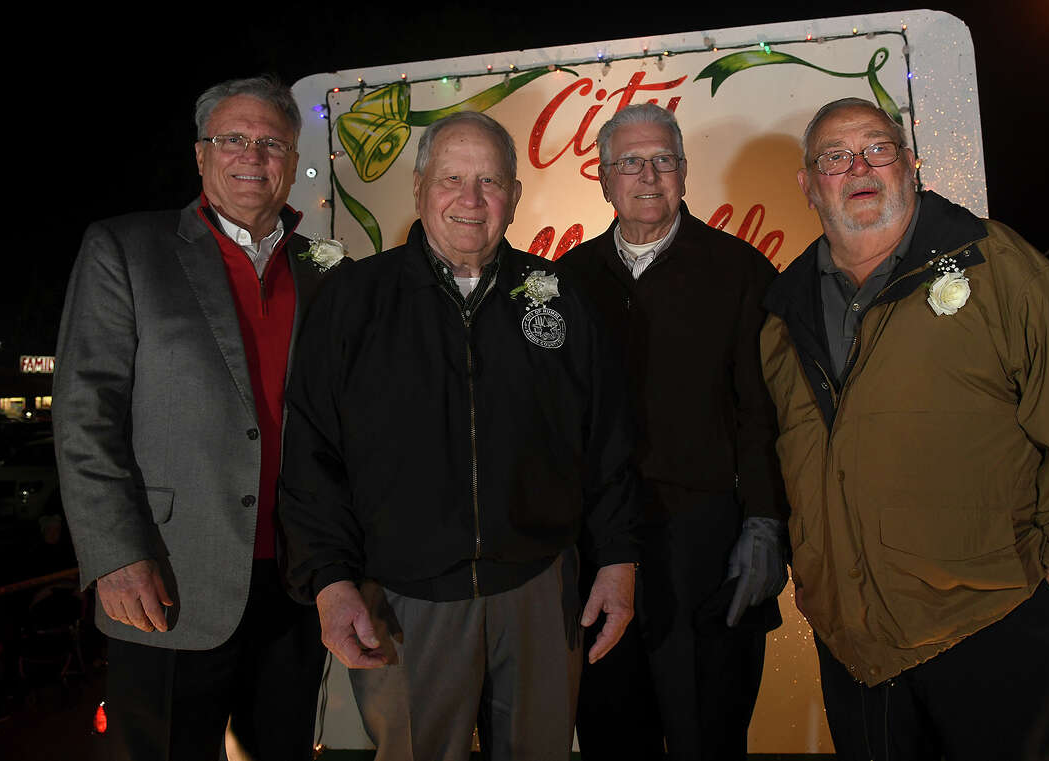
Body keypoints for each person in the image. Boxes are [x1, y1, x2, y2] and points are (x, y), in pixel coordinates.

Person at [760, 97, 1049, 760]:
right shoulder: (780, 313)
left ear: (911, 164)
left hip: (997, 627)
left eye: (877, 148)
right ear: (807, 184)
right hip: (859, 654)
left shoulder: (995, 267)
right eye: (835, 156)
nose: (860, 166)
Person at [278, 110, 641, 761]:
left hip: (539, 590)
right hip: (402, 597)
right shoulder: (354, 301)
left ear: (514, 197)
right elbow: (311, 457)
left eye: (490, 181)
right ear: (419, 187)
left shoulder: (556, 296)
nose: (470, 200)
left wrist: (618, 558)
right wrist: (329, 580)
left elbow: (606, 439)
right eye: (451, 178)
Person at [52, 75, 331, 761]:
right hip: (168, 580)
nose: (252, 155)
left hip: (295, 584)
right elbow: (86, 415)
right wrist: (116, 555)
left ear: (293, 162)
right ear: (201, 154)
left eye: (271, 143)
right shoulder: (126, 249)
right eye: (232, 138)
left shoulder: (324, 270)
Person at [556, 103, 788, 761]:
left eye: (663, 160)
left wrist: (766, 524)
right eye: (630, 161)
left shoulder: (739, 272)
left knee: (707, 734)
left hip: (706, 549)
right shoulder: (568, 281)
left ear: (684, 173)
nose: (648, 175)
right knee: (610, 734)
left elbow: (764, 416)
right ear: (604, 179)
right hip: (598, 550)